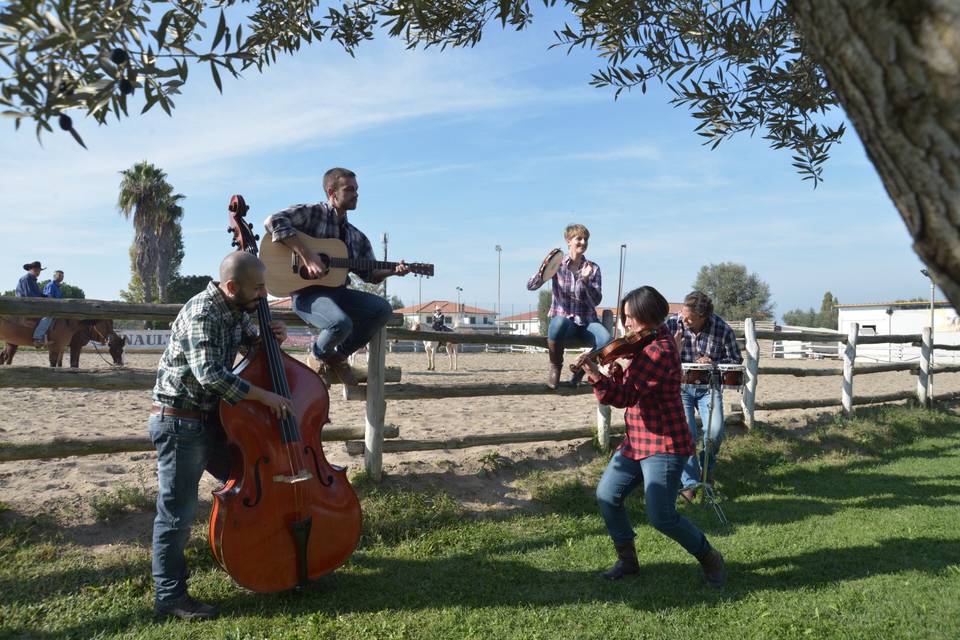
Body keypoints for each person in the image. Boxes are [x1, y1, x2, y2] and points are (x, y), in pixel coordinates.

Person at [150, 252, 295, 621]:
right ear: (232, 287)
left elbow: (254, 349)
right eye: (259, 288)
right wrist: (265, 397)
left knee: (251, 489)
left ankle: (263, 556)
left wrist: (270, 337)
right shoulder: (203, 312)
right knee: (177, 513)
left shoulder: (236, 309)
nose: (264, 295)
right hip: (181, 423)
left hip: (211, 421)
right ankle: (170, 597)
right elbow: (211, 376)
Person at [577, 285, 726, 587]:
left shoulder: (660, 350)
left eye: (629, 317)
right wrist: (616, 368)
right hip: (637, 438)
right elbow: (633, 386)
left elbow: (626, 396)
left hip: (665, 444)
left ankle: (711, 558)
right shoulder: (644, 344)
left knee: (661, 517)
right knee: (607, 495)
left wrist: (596, 375)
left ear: (646, 317)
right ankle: (628, 561)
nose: (626, 325)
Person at [264, 167, 410, 386]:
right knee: (340, 323)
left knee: (382, 309)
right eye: (349, 189)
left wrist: (393, 271)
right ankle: (316, 355)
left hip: (339, 292)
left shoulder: (356, 236)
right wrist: (307, 255)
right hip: (307, 294)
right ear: (331, 192)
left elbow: (370, 274)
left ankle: (337, 357)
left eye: (356, 189)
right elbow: (273, 221)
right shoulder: (313, 213)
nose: (356, 194)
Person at [665, 291, 742, 503]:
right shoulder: (671, 325)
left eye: (689, 317)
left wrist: (713, 362)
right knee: (686, 434)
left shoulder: (722, 328)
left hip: (709, 387)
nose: (684, 319)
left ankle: (707, 471)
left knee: (716, 430)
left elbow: (736, 358)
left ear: (703, 317)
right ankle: (690, 482)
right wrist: (673, 348)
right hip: (680, 388)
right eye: (683, 313)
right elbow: (658, 355)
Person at [526, 224, 611, 389]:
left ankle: (581, 369)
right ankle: (555, 367)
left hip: (587, 321)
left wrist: (585, 282)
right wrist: (545, 269)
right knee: (559, 322)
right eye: (578, 238)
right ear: (568, 241)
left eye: (586, 239)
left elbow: (596, 300)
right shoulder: (558, 265)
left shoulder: (593, 268)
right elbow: (531, 286)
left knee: (606, 340)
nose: (583, 242)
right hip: (565, 323)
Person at [15, 260, 49, 348]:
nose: (39, 272)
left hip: (29, 303)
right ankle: (37, 338)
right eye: (38, 270)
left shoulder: (32, 280)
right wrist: (43, 300)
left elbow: (36, 294)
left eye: (40, 270)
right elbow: (29, 295)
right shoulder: (27, 279)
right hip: (25, 305)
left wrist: (47, 297)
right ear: (31, 269)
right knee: (49, 316)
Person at [31, 269, 65, 347]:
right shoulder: (51, 285)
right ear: (54, 276)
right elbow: (48, 297)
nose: (61, 277)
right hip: (48, 307)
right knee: (48, 318)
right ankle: (37, 337)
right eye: (59, 275)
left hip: (56, 308)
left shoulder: (58, 287)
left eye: (62, 276)